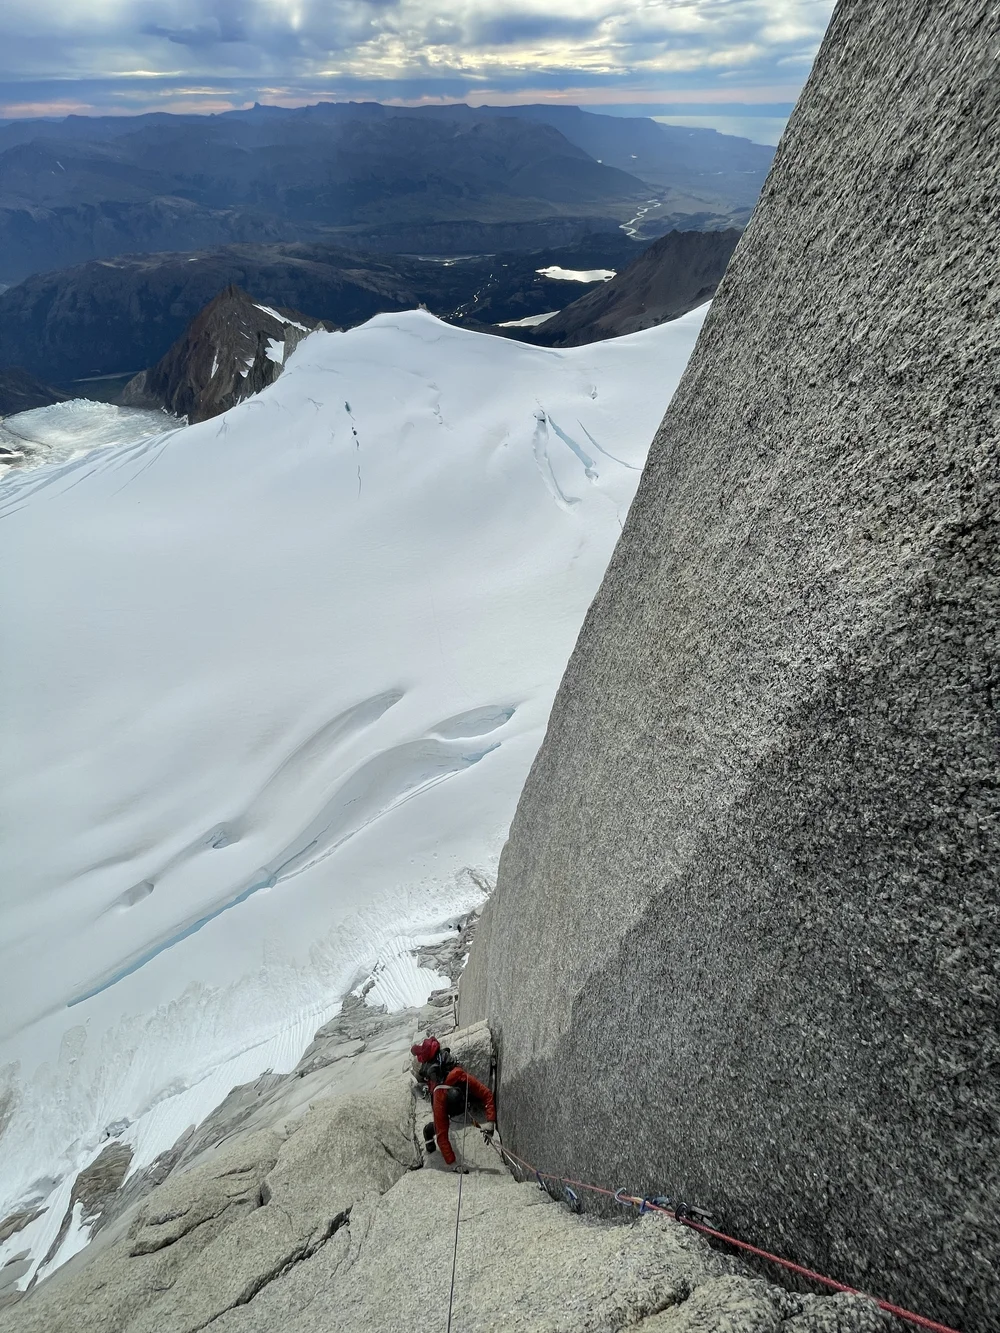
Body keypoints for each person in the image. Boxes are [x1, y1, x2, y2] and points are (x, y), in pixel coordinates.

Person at [410, 1036, 496, 1172]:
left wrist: (490, 1122)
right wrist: (454, 1164)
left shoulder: (460, 1075)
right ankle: (427, 1135)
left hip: (449, 1083)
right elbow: (442, 1137)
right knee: (439, 1126)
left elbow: (486, 1094)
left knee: (442, 1123)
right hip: (438, 1088)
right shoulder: (439, 1100)